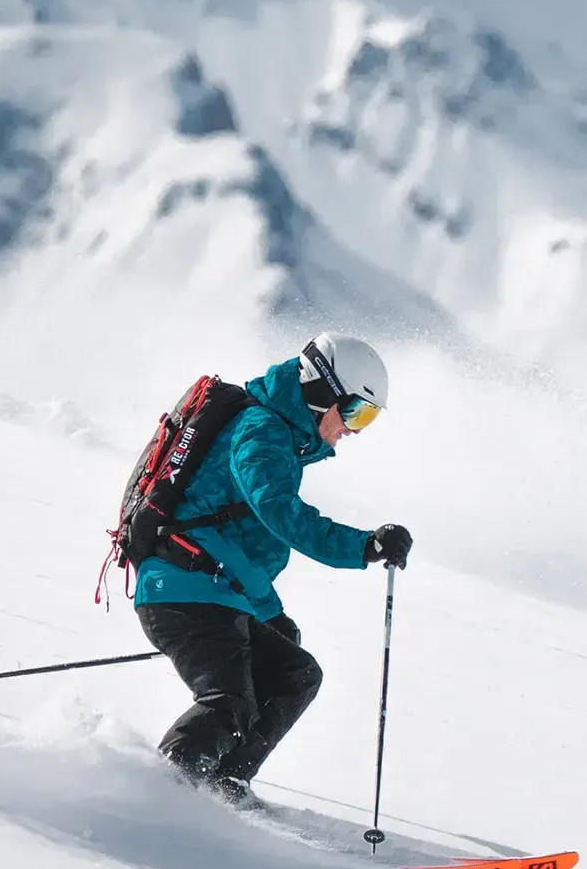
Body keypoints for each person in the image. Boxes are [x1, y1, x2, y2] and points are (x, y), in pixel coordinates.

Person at [133, 333, 413, 803]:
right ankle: (162, 797)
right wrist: (363, 546)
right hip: (182, 589)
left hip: (212, 590)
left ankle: (223, 789)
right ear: (321, 392)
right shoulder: (262, 431)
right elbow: (280, 512)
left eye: (367, 418)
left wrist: (268, 613)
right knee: (229, 703)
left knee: (294, 673)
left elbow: (237, 544)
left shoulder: (278, 435)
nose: (355, 430)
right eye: (354, 412)